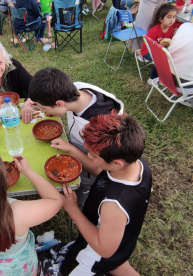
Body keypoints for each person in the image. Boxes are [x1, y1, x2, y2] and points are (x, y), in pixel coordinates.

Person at [51, 111, 152, 276]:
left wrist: (72, 209)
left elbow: (104, 249)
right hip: (122, 240)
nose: (89, 156)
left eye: (93, 155)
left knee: (68, 271)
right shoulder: (138, 163)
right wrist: (70, 148)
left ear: (116, 163)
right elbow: (100, 170)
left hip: (95, 255)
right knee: (115, 259)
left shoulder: (114, 205)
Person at [28, 67, 124, 207]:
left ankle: (83, 202)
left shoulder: (97, 128)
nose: (42, 111)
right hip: (84, 147)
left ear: (60, 103)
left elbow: (98, 170)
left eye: (43, 108)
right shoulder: (77, 88)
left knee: (83, 190)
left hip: (93, 166)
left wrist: (70, 148)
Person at [139, 3, 177, 84]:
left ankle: (166, 76)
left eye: (174, 17)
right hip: (147, 51)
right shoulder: (154, 31)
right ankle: (152, 79)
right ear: (161, 19)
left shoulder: (171, 29)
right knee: (160, 59)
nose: (172, 20)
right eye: (169, 17)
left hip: (160, 49)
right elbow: (148, 46)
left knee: (172, 57)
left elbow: (167, 42)